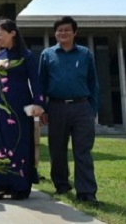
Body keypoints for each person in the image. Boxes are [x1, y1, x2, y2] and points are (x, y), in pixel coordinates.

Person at [0, 18, 44, 200]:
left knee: (19, 142)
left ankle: (18, 187)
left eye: (1, 35)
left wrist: (39, 104)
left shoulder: (26, 55)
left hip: (21, 107)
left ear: (12, 33)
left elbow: (35, 82)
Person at [38, 16, 100, 205]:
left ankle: (87, 192)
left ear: (74, 33)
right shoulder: (47, 54)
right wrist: (42, 108)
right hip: (56, 107)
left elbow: (93, 82)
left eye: (66, 30)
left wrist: (93, 108)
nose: (63, 33)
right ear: (55, 33)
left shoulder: (85, 54)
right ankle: (62, 185)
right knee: (57, 149)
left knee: (83, 150)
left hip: (82, 108)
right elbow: (41, 83)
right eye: (59, 30)